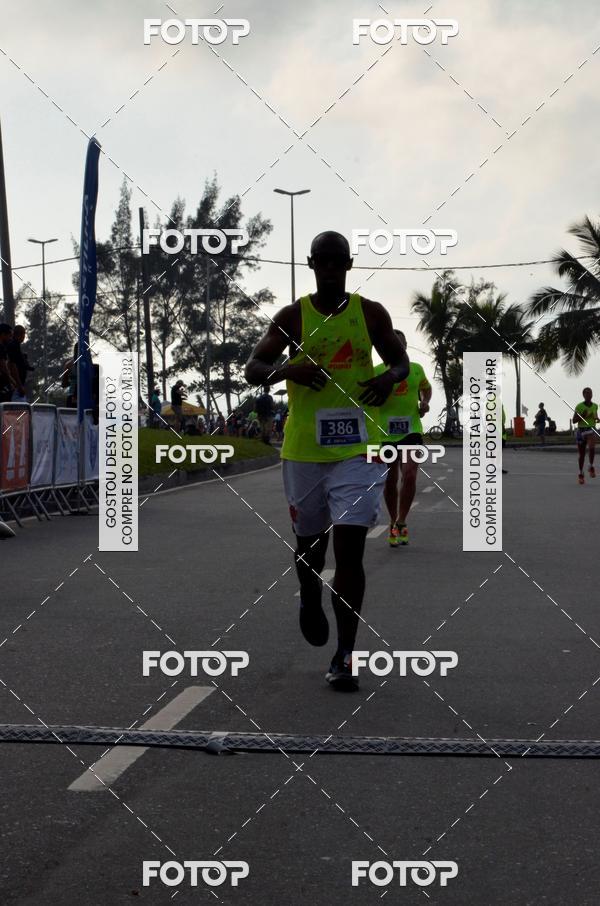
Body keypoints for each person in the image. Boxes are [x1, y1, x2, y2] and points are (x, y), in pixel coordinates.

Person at [245, 230, 409, 690]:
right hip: (303, 452)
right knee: (310, 548)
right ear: (311, 264)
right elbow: (253, 367)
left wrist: (385, 380)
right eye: (324, 261)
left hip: (356, 451)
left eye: (340, 261)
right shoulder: (293, 317)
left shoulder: (370, 314)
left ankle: (345, 656)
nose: (332, 269)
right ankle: (309, 594)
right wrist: (285, 370)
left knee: (351, 551)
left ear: (350, 265)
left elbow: (399, 362)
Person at [374, 330, 432, 546]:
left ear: (405, 346)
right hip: (385, 434)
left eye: (401, 343)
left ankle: (401, 521)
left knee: (409, 475)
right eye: (393, 343)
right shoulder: (376, 371)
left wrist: (424, 402)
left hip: (411, 430)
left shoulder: (416, 369)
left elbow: (427, 388)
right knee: (389, 480)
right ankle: (392, 521)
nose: (398, 347)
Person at [573, 387, 598, 485]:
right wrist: (582, 415)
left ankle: (591, 466)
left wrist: (597, 419)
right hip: (581, 430)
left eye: (590, 393)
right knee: (582, 454)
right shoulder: (579, 406)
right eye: (587, 393)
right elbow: (574, 420)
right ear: (583, 395)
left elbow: (596, 416)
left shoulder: (595, 406)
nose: (589, 395)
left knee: (592, 448)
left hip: (591, 429)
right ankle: (581, 473)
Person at [7, 325, 32, 402]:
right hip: (15, 386)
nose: (24, 337)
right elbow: (12, 366)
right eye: (23, 334)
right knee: (19, 410)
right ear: (20, 334)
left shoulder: (16, 346)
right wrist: (19, 386)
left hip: (15, 385)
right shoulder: (13, 345)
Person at [0, 323, 15, 403]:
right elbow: (3, 367)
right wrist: (13, 382)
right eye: (9, 336)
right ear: (3, 335)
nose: (10, 339)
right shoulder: (1, 348)